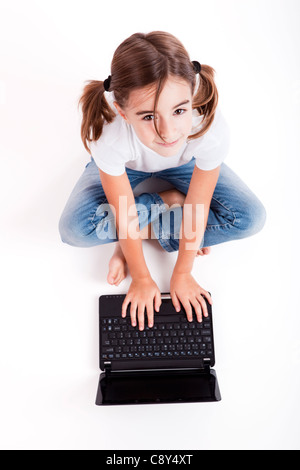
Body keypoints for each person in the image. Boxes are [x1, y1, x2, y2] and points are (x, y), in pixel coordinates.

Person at [59, 31, 266, 331]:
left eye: (179, 111)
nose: (168, 133)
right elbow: (123, 208)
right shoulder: (110, 134)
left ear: (192, 96)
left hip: (185, 165)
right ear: (123, 112)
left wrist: (182, 273)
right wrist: (142, 277)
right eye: (147, 117)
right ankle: (164, 200)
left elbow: (198, 202)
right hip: (127, 168)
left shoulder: (208, 127)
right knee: (74, 230)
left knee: (250, 217)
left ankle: (126, 242)